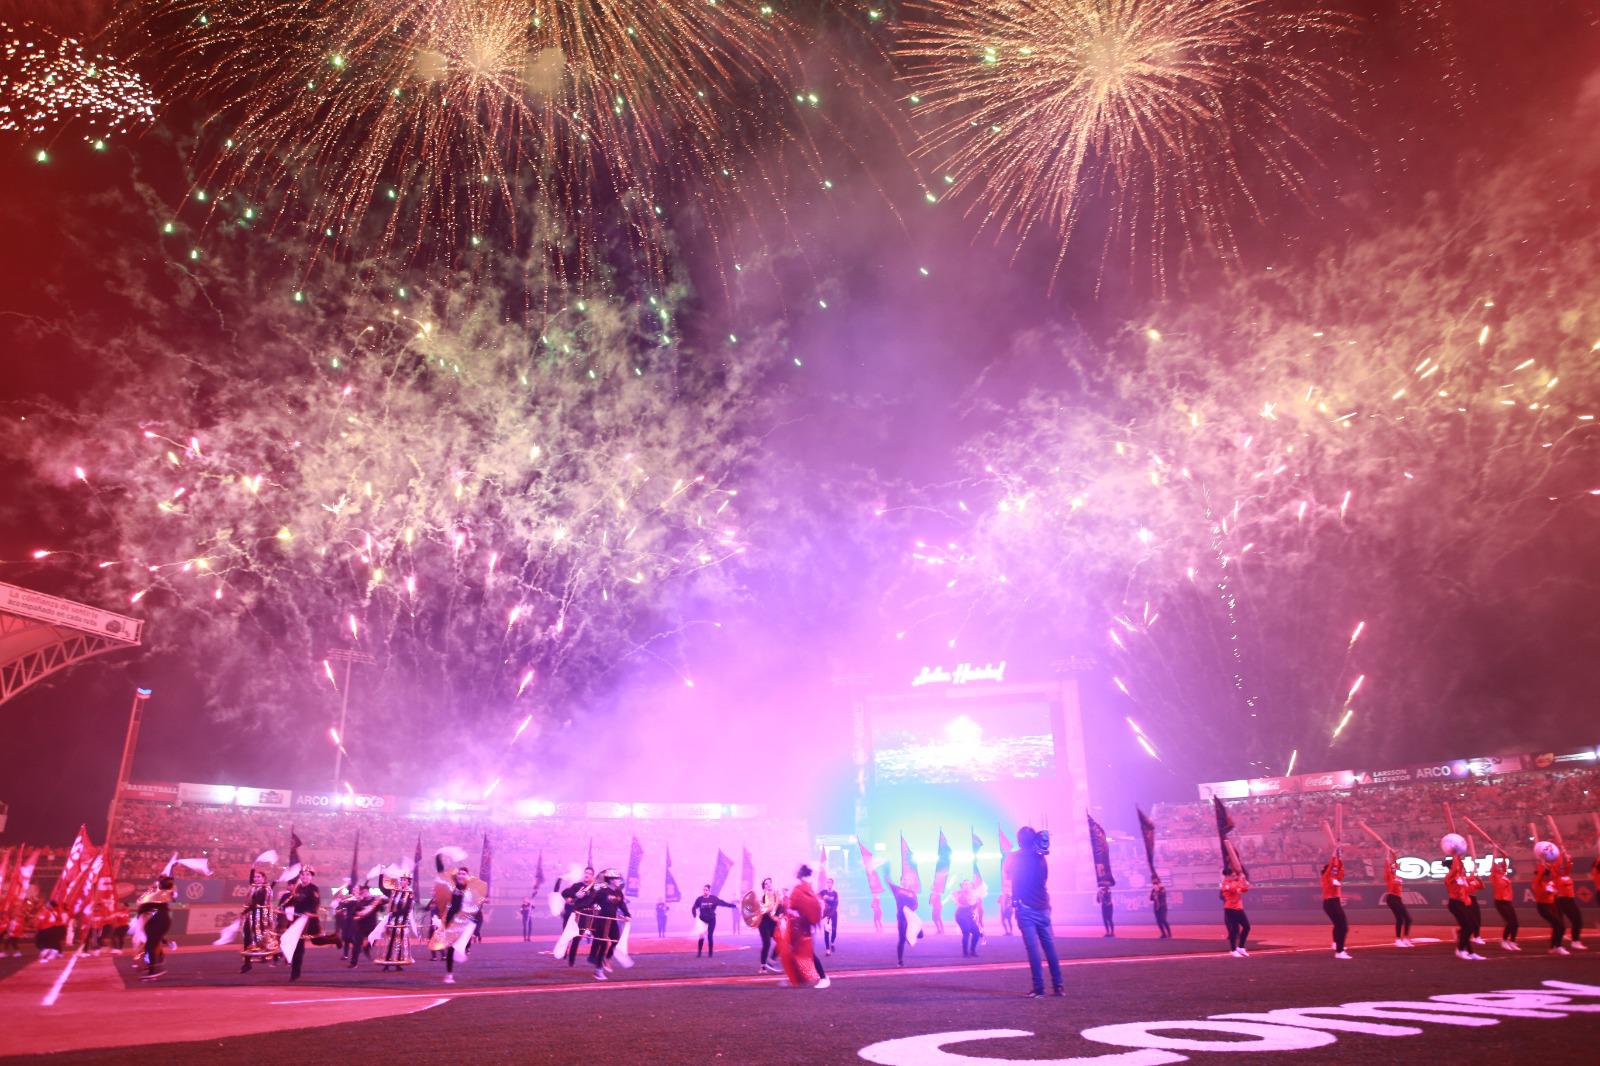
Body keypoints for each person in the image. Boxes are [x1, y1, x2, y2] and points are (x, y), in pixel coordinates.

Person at [1006, 827, 1062, 997]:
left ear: (1019, 841)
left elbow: (1010, 876)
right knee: (1049, 947)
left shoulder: (1015, 857)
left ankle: (1039, 988)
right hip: (1043, 906)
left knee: (1033, 949)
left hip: (1026, 908)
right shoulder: (1041, 858)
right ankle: (1059, 987)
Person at [432, 862, 488, 984]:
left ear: (468, 876)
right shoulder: (453, 886)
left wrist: (482, 900)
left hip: (466, 921)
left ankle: (464, 947)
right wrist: (439, 857)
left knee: (461, 944)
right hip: (452, 921)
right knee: (451, 949)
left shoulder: (471, 890)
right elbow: (442, 874)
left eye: (464, 873)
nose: (461, 875)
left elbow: (476, 906)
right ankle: (449, 974)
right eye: (460, 873)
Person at [780, 864, 828, 988]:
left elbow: (809, 906)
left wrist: (792, 909)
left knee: (808, 952)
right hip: (800, 926)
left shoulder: (803, 888)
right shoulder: (804, 888)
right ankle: (797, 979)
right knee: (795, 951)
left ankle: (823, 978)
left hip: (804, 927)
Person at [587, 870, 630, 981]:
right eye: (616, 879)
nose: (619, 881)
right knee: (602, 944)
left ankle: (607, 959)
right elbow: (591, 901)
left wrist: (627, 914)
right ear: (610, 880)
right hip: (601, 921)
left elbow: (621, 904)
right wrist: (593, 907)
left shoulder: (618, 892)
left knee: (616, 941)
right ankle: (598, 971)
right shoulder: (602, 891)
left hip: (612, 921)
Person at [1445, 851, 1485, 961]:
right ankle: (1460, 950)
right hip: (1455, 904)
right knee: (1468, 927)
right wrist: (1456, 854)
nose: (1460, 867)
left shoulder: (1461, 878)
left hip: (1463, 904)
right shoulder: (1450, 877)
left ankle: (1470, 952)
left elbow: (1476, 882)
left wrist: (1476, 874)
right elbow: (1457, 867)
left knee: (1470, 926)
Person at [240, 866, 279, 973]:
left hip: (261, 917)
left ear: (264, 878)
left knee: (262, 936)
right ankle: (247, 963)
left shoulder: (265, 889)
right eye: (255, 877)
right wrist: (252, 869)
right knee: (247, 936)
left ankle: (273, 955)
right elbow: (250, 881)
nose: (256, 879)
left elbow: (256, 902)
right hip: (252, 916)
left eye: (259, 877)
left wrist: (244, 912)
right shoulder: (254, 887)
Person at [135, 877, 175, 980]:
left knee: (150, 945)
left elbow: (141, 905)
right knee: (152, 943)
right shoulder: (161, 894)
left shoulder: (159, 894)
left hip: (159, 920)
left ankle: (153, 970)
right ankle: (156, 964)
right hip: (158, 920)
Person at [558, 867, 598, 966]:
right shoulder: (577, 886)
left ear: (592, 876)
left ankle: (571, 962)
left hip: (585, 916)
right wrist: (575, 896)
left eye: (589, 873)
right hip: (575, 914)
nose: (587, 874)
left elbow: (598, 900)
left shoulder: (594, 889)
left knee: (577, 938)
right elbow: (564, 893)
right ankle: (564, 952)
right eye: (586, 872)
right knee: (568, 936)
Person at [376, 870, 415, 971]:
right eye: (401, 879)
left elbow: (406, 909)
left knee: (399, 941)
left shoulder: (410, 894)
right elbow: (382, 888)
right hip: (392, 921)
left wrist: (394, 913)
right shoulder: (394, 891)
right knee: (389, 941)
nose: (402, 881)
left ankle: (398, 962)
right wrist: (381, 875)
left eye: (404, 880)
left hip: (401, 921)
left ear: (408, 882)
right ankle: (387, 963)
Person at [1532, 855, 1568, 955]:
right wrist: (1542, 860)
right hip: (1543, 908)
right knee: (1560, 926)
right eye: (1547, 875)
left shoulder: (1550, 883)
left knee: (1558, 926)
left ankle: (1553, 947)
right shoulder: (1537, 883)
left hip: (1552, 906)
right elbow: (1541, 871)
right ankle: (1558, 946)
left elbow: (1553, 871)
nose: (1549, 876)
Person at [1554, 845, 1588, 951]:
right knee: (1570, 921)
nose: (1562, 868)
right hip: (1562, 900)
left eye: (1563, 867)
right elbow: (1557, 864)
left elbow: (1569, 863)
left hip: (1570, 899)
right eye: (1560, 867)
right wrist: (1560, 853)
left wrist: (1567, 855)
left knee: (1578, 920)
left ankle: (1575, 941)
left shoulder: (1567, 875)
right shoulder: (1557, 876)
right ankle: (1562, 943)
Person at [1320, 851, 1351, 960]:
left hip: (1333, 903)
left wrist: (1340, 856)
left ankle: (1337, 945)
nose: (1334, 870)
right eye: (1332, 869)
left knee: (1339, 925)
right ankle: (1339, 950)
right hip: (1331, 903)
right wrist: (1334, 852)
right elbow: (1332, 866)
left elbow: (1341, 870)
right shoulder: (1326, 877)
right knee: (1343, 926)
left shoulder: (1335, 878)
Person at [690, 884, 735, 957]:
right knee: (701, 936)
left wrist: (734, 906)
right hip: (702, 920)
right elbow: (693, 908)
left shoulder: (714, 899)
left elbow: (723, 903)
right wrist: (695, 917)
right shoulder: (699, 899)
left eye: (706, 890)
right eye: (704, 890)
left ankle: (710, 954)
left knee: (710, 936)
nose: (705, 891)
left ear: (709, 891)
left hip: (711, 919)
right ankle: (699, 953)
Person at [1381, 848, 1413, 947]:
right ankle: (1400, 940)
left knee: (1401, 919)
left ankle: (1403, 940)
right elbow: (1387, 865)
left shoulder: (1397, 876)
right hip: (1392, 898)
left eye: (1394, 867)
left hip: (1398, 899)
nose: (1393, 868)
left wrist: (1394, 854)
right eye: (1392, 868)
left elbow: (1395, 862)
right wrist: (1387, 853)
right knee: (1407, 919)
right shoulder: (1388, 876)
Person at [1490, 851, 1519, 952]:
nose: (1500, 867)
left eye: (1501, 866)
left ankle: (1512, 941)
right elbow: (1493, 862)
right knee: (1510, 922)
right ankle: (1504, 941)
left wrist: (1503, 854)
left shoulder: (1504, 875)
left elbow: (1505, 859)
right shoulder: (1494, 876)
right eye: (1498, 867)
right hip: (1500, 902)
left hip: (1508, 902)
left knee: (1515, 923)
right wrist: (1494, 850)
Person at [347, 884, 383, 968]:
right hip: (360, 926)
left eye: (366, 892)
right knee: (356, 944)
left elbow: (382, 910)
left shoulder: (375, 901)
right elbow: (353, 913)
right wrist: (357, 913)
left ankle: (366, 947)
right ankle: (353, 963)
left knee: (374, 940)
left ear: (369, 891)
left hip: (371, 926)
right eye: (362, 892)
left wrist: (380, 903)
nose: (364, 893)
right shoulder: (360, 902)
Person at [889, 882, 922, 967]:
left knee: (921, 935)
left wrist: (910, 909)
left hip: (910, 917)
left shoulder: (912, 892)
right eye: (904, 880)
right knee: (901, 940)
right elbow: (888, 882)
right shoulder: (898, 890)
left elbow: (916, 904)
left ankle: (909, 936)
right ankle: (900, 961)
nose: (907, 882)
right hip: (901, 917)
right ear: (901, 881)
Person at [1221, 868, 1251, 957]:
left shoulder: (1235, 882)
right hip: (1230, 909)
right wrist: (1241, 880)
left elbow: (1245, 890)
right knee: (1234, 929)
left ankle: (1241, 947)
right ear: (1227, 876)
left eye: (1235, 875)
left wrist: (1245, 882)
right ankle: (1233, 950)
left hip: (1238, 908)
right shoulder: (1225, 884)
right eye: (1233, 876)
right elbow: (1234, 889)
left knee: (1247, 927)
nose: (1235, 877)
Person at [757, 877, 783, 975]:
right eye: (766, 884)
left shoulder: (777, 895)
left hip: (773, 923)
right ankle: (763, 966)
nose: (768, 885)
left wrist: (781, 914)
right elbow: (767, 910)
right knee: (767, 944)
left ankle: (771, 961)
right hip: (764, 923)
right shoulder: (764, 897)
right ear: (764, 887)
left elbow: (780, 908)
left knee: (781, 942)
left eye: (769, 883)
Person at [954, 879, 981, 957]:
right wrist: (974, 901)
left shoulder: (971, 894)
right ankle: (965, 953)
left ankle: (972, 951)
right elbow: (965, 904)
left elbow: (973, 907)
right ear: (962, 886)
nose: (967, 885)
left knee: (976, 933)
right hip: (961, 915)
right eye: (965, 884)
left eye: (968, 884)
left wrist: (977, 901)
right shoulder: (960, 894)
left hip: (968, 915)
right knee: (966, 933)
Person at [819, 878, 840, 955]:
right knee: (826, 932)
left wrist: (830, 915)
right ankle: (828, 950)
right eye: (827, 882)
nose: (829, 884)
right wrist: (821, 898)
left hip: (833, 914)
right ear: (826, 884)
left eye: (830, 883)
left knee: (834, 931)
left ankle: (832, 943)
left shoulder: (835, 893)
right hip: (826, 914)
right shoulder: (823, 892)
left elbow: (836, 906)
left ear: (832, 884)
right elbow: (815, 896)